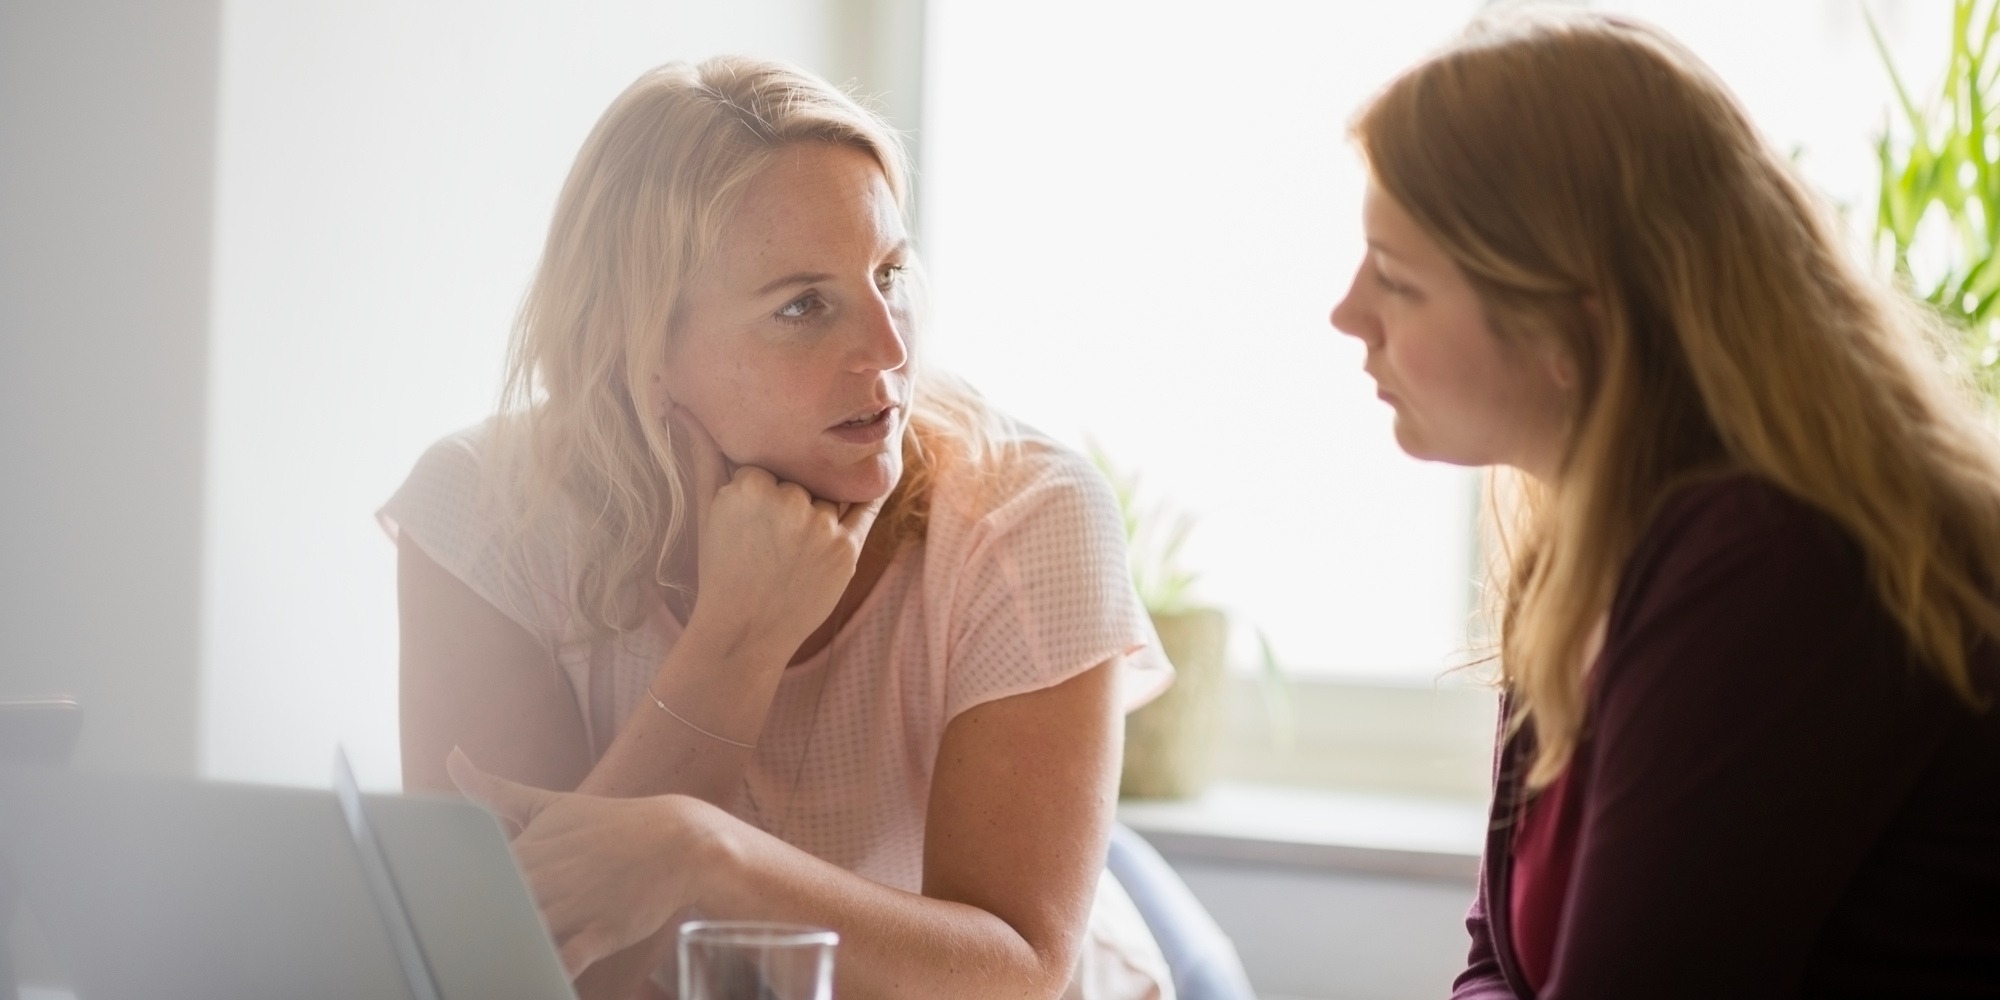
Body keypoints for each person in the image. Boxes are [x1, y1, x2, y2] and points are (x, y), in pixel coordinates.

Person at [379, 56, 1175, 1000]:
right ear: (638, 346)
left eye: (890, 275)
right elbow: (505, 975)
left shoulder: (1027, 515)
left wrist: (706, 854)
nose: (887, 351)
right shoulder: (486, 515)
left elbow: (1017, 978)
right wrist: (734, 645)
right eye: (804, 306)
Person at [1328, 8, 2000, 998]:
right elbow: (1494, 963)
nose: (1347, 314)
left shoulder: (1770, 559)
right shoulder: (1584, 551)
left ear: (1576, 321)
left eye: (1396, 279)